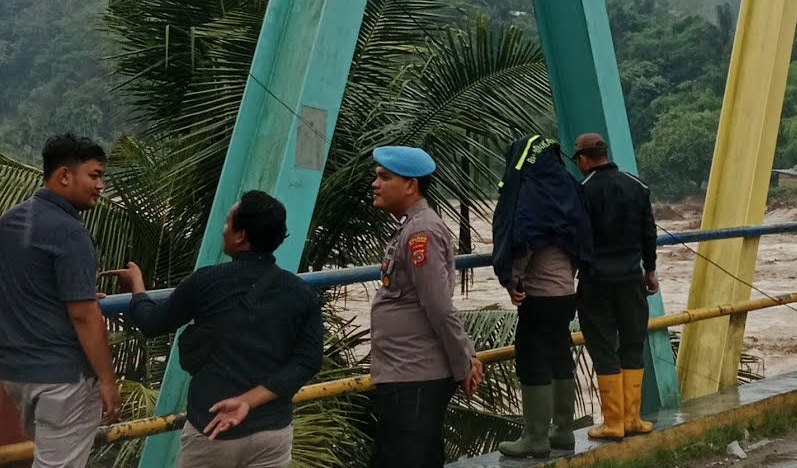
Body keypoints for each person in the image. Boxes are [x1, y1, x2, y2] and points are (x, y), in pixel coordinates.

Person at [111, 191, 323, 468]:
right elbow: (308, 361)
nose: (223, 230)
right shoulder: (301, 293)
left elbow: (153, 324)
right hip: (272, 432)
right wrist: (248, 400)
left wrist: (138, 290)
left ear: (240, 236)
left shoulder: (207, 282)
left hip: (211, 430)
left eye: (227, 224)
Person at [0, 133, 119, 468]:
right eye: (94, 176)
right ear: (65, 175)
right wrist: (108, 382)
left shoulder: (10, 221)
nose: (100, 186)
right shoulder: (71, 232)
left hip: (17, 374)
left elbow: (21, 284)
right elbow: (84, 315)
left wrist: (74, 291)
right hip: (62, 380)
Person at [368, 146, 483, 468]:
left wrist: (464, 362)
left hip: (414, 374)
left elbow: (438, 305)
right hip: (405, 371)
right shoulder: (411, 226)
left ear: (410, 185)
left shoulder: (421, 232)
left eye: (384, 177)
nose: (375, 184)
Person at [491, 134, 593, 457]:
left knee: (533, 359)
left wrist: (512, 281)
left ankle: (535, 438)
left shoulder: (530, 193)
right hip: (566, 292)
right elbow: (580, 237)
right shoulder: (565, 187)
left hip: (540, 295)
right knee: (560, 355)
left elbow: (524, 240)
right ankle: (563, 431)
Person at [570, 133, 659, 440]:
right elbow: (649, 234)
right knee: (634, 342)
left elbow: (575, 240)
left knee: (603, 346)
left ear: (583, 159)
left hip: (595, 282)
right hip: (632, 278)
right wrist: (650, 271)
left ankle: (613, 423)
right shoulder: (637, 187)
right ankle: (633, 419)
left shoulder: (581, 192)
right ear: (605, 154)